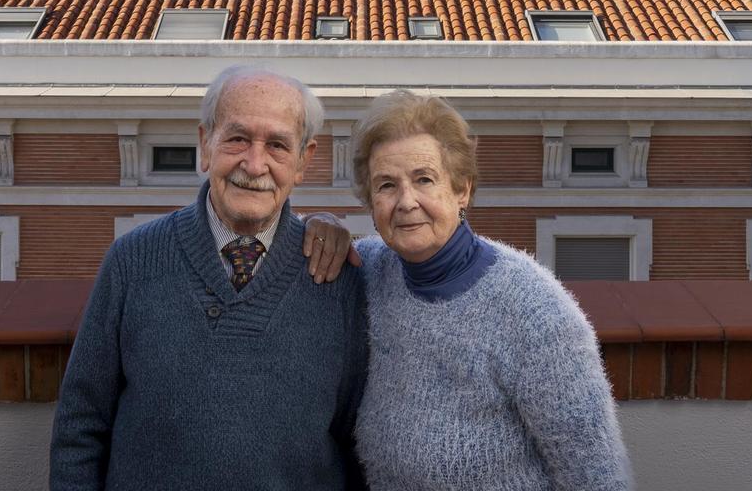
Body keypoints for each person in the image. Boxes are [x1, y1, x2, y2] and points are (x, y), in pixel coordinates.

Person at [50, 66, 367, 490]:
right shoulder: (133, 260)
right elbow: (80, 425)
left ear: (303, 162)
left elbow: (357, 438)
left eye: (277, 145)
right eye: (237, 138)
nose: (254, 164)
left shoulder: (336, 277)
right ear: (205, 144)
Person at [349, 89, 632, 490]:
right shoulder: (366, 269)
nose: (405, 201)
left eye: (424, 179)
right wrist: (320, 227)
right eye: (386, 185)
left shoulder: (535, 312)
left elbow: (599, 479)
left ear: (461, 189)